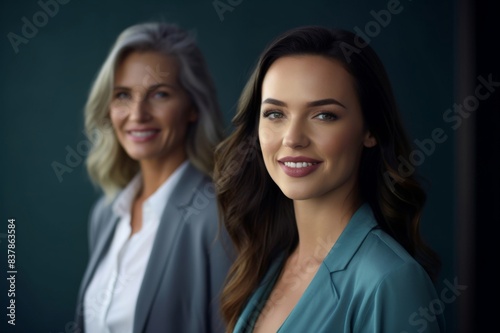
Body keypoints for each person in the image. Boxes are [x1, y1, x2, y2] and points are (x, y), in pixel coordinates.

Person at [214, 26, 445, 332]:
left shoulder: (389, 281)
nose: (293, 139)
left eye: (324, 115)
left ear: (370, 131)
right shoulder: (273, 261)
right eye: (275, 114)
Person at [74, 22, 233, 333]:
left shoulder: (219, 216)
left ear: (192, 108)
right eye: (122, 95)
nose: (137, 114)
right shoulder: (106, 215)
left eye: (159, 94)